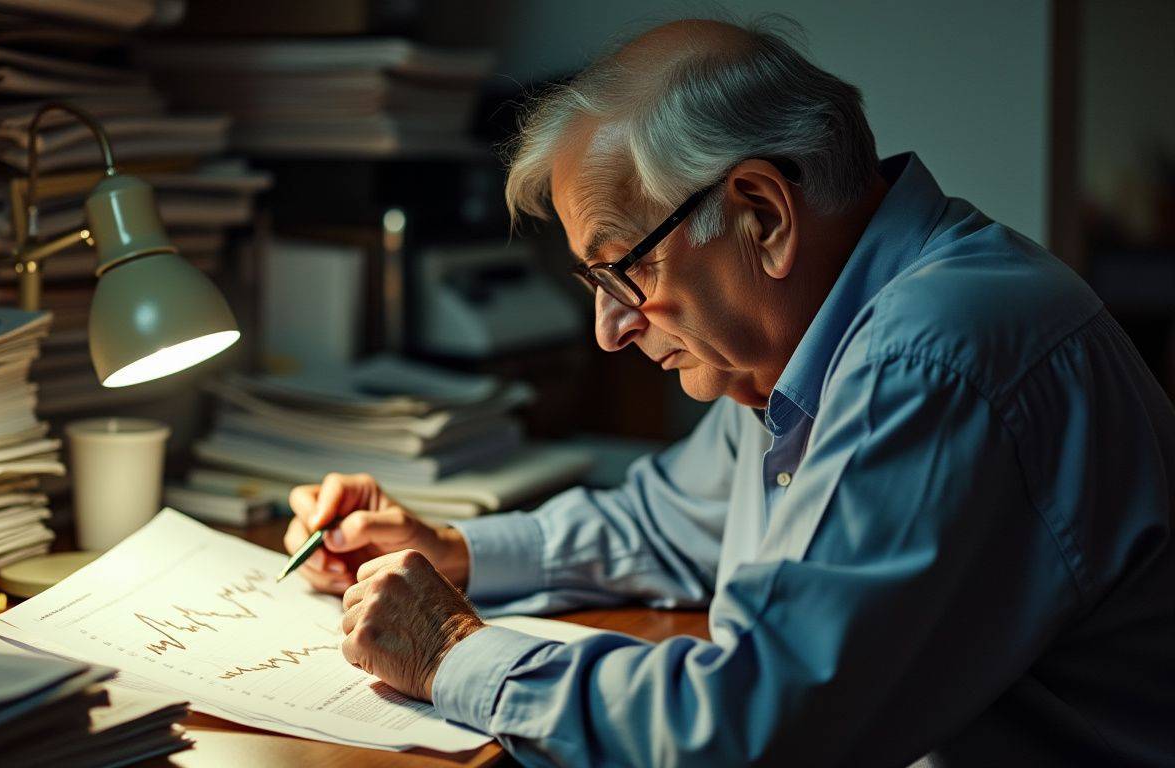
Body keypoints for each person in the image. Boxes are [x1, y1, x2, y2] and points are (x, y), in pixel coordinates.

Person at [283, 18, 1175, 767]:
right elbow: (664, 523)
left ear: (762, 215)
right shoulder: (801, 347)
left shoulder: (932, 355)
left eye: (621, 271)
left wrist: (453, 653)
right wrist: (450, 549)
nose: (610, 327)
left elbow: (754, 730)